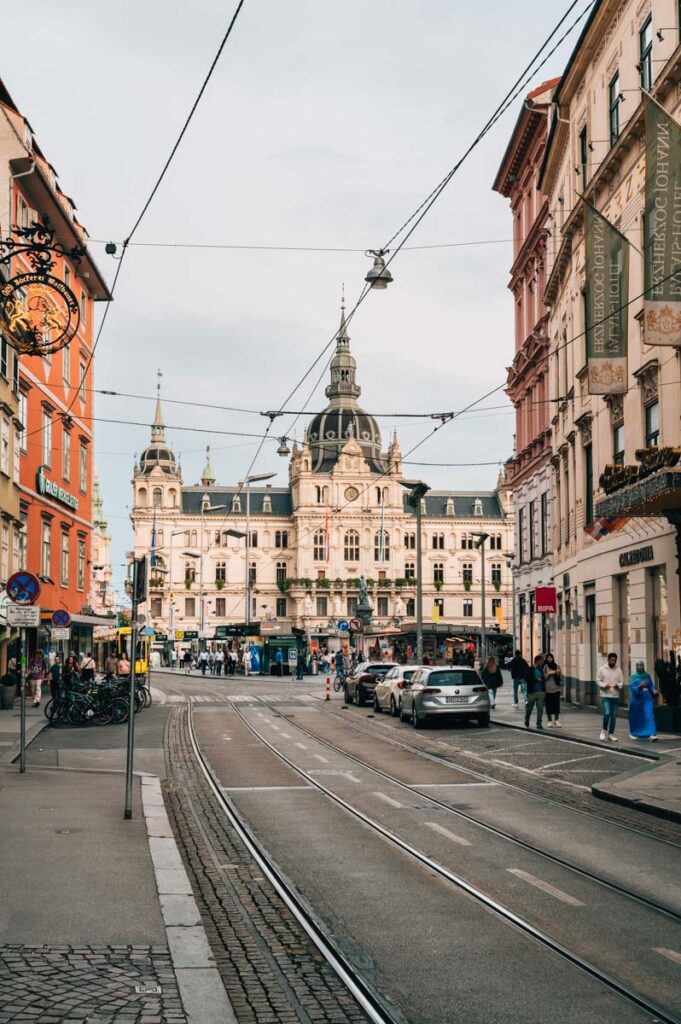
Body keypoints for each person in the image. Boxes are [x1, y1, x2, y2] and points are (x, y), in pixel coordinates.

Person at [597, 652, 624, 742]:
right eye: (612, 660)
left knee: (613, 716)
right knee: (607, 713)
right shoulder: (602, 669)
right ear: (608, 660)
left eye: (615, 660)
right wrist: (605, 685)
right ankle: (604, 730)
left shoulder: (619, 670)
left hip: (615, 696)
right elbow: (597, 681)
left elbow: (621, 683)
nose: (613, 662)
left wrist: (618, 686)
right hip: (605, 695)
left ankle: (611, 734)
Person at [628, 662, 658, 741]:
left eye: (641, 665)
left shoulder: (647, 675)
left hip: (646, 698)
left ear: (643, 666)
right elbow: (632, 688)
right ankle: (633, 732)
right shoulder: (633, 676)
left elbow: (651, 685)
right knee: (635, 717)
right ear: (636, 667)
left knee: (649, 715)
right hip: (636, 699)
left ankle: (652, 734)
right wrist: (639, 686)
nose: (640, 667)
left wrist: (654, 690)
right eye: (638, 665)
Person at [524, 655, 545, 729]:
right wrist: (536, 680)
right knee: (529, 708)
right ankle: (527, 719)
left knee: (540, 709)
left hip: (540, 692)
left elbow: (543, 679)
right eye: (541, 661)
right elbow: (526, 679)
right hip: (531, 692)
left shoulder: (540, 670)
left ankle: (539, 723)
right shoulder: (529, 669)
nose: (542, 662)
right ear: (537, 661)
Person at [543, 653, 562, 728]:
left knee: (556, 705)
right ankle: (549, 721)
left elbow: (560, 675)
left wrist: (558, 673)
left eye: (551, 657)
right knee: (549, 705)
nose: (549, 659)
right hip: (548, 689)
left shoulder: (557, 666)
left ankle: (556, 720)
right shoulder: (545, 666)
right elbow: (543, 677)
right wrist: (549, 673)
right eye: (548, 658)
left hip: (556, 688)